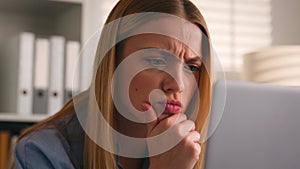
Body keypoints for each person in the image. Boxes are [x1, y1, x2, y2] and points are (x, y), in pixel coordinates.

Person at [13, 0, 213, 168]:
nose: (178, 85)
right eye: (156, 61)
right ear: (113, 62)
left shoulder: (196, 147)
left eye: (191, 67)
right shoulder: (41, 152)